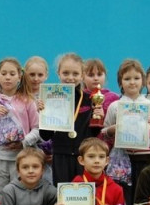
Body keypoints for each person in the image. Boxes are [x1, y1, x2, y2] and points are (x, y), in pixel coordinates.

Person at [39, 53, 104, 185]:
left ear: (82, 75)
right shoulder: (50, 98)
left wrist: (98, 119)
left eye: (75, 73)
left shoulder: (90, 100)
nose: (70, 77)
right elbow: (45, 136)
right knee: (63, 192)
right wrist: (44, 114)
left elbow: (94, 134)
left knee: (84, 193)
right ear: (58, 73)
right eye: (66, 73)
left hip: (84, 156)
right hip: (61, 154)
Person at [102, 59, 150, 205]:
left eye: (136, 78)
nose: (132, 82)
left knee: (142, 196)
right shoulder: (115, 106)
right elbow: (104, 132)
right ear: (120, 82)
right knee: (123, 196)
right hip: (121, 158)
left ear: (143, 81)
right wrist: (112, 130)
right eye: (127, 79)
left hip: (144, 158)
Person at [0, 57, 40, 204]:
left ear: (19, 77)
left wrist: (23, 142)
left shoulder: (28, 100)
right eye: (4, 74)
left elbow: (37, 128)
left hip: (22, 157)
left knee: (21, 197)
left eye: (12, 74)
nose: (8, 77)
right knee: (0, 198)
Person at [24, 56, 54, 184]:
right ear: (25, 74)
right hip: (26, 149)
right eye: (32, 74)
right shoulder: (20, 97)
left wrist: (52, 150)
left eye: (40, 75)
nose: (36, 79)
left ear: (46, 75)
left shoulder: (53, 96)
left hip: (47, 150)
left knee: (47, 184)